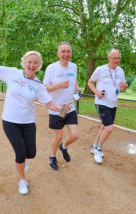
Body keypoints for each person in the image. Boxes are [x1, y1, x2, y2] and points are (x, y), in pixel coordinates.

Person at [0, 35, 70, 195]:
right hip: (10, 121)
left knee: (32, 153)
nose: (32, 65)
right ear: (24, 62)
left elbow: (50, 104)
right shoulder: (12, 73)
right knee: (21, 153)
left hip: (28, 122)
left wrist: (64, 109)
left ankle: (22, 161)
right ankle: (22, 179)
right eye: (29, 62)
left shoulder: (39, 84)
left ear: (38, 66)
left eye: (35, 63)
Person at [43, 42, 81, 170]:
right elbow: (44, 88)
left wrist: (77, 91)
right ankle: (52, 157)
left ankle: (63, 147)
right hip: (57, 108)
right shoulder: (51, 68)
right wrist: (59, 85)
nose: (66, 54)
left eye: (68, 52)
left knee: (75, 135)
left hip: (69, 108)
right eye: (63, 52)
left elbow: (74, 80)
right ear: (58, 54)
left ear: (71, 54)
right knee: (58, 136)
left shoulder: (74, 66)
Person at [87, 49, 128, 164]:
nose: (117, 60)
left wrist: (125, 86)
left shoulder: (121, 71)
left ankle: (94, 146)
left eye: (118, 58)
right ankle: (98, 150)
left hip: (113, 103)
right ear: (109, 58)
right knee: (109, 128)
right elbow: (90, 82)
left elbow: (123, 87)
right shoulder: (100, 69)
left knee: (104, 127)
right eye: (114, 58)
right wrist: (96, 92)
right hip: (101, 102)